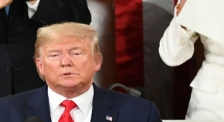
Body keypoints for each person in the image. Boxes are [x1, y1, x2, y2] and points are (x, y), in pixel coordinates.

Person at [0, 22, 162, 122]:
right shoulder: (5, 112)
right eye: (54, 55)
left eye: (76, 53)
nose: (65, 62)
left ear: (97, 60)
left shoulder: (140, 114)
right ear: (40, 65)